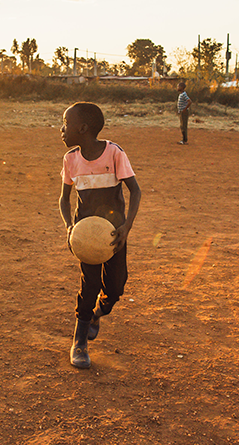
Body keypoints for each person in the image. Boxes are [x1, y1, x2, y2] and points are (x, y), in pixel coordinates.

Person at [58, 102, 142, 369]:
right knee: (89, 285)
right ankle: (79, 342)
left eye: (66, 123)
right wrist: (69, 228)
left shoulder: (114, 153)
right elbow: (64, 199)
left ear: (82, 128)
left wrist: (126, 227)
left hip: (114, 233)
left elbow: (135, 191)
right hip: (85, 234)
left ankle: (98, 313)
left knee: (116, 287)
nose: (62, 129)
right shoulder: (71, 159)